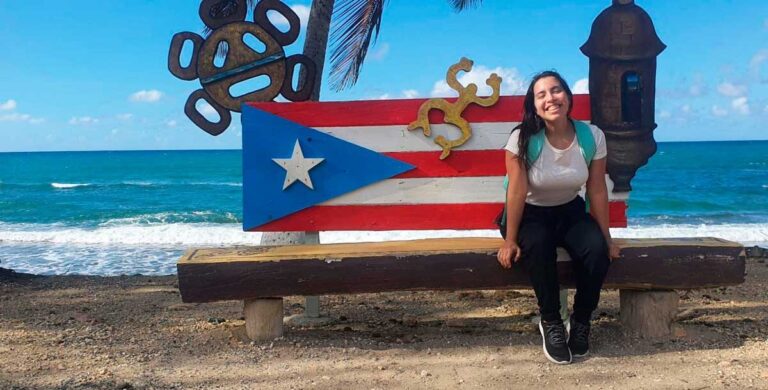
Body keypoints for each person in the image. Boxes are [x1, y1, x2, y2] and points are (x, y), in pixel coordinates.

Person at [496, 70, 620, 364]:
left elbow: (597, 191)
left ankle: (581, 322)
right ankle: (550, 321)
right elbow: (515, 192)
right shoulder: (522, 139)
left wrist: (607, 238)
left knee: (596, 251)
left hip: (569, 209)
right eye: (542, 95)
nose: (551, 98)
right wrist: (510, 240)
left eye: (556, 91)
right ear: (534, 105)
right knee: (538, 246)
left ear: (567, 96)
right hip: (528, 213)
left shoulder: (592, 137)